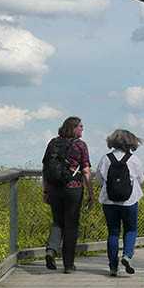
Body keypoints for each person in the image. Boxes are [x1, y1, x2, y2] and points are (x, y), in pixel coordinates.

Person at [42, 116, 95, 273]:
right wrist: (91, 192)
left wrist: (45, 190)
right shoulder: (80, 145)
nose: (82, 128)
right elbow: (86, 170)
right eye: (80, 126)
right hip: (73, 188)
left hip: (54, 188)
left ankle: (51, 249)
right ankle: (69, 265)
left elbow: (45, 168)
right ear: (73, 128)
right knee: (71, 226)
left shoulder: (53, 142)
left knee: (57, 221)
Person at [94, 129, 144, 277]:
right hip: (129, 201)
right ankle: (127, 256)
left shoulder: (105, 159)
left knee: (113, 231)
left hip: (108, 201)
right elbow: (140, 179)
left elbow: (99, 179)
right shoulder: (134, 160)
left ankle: (112, 266)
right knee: (130, 229)